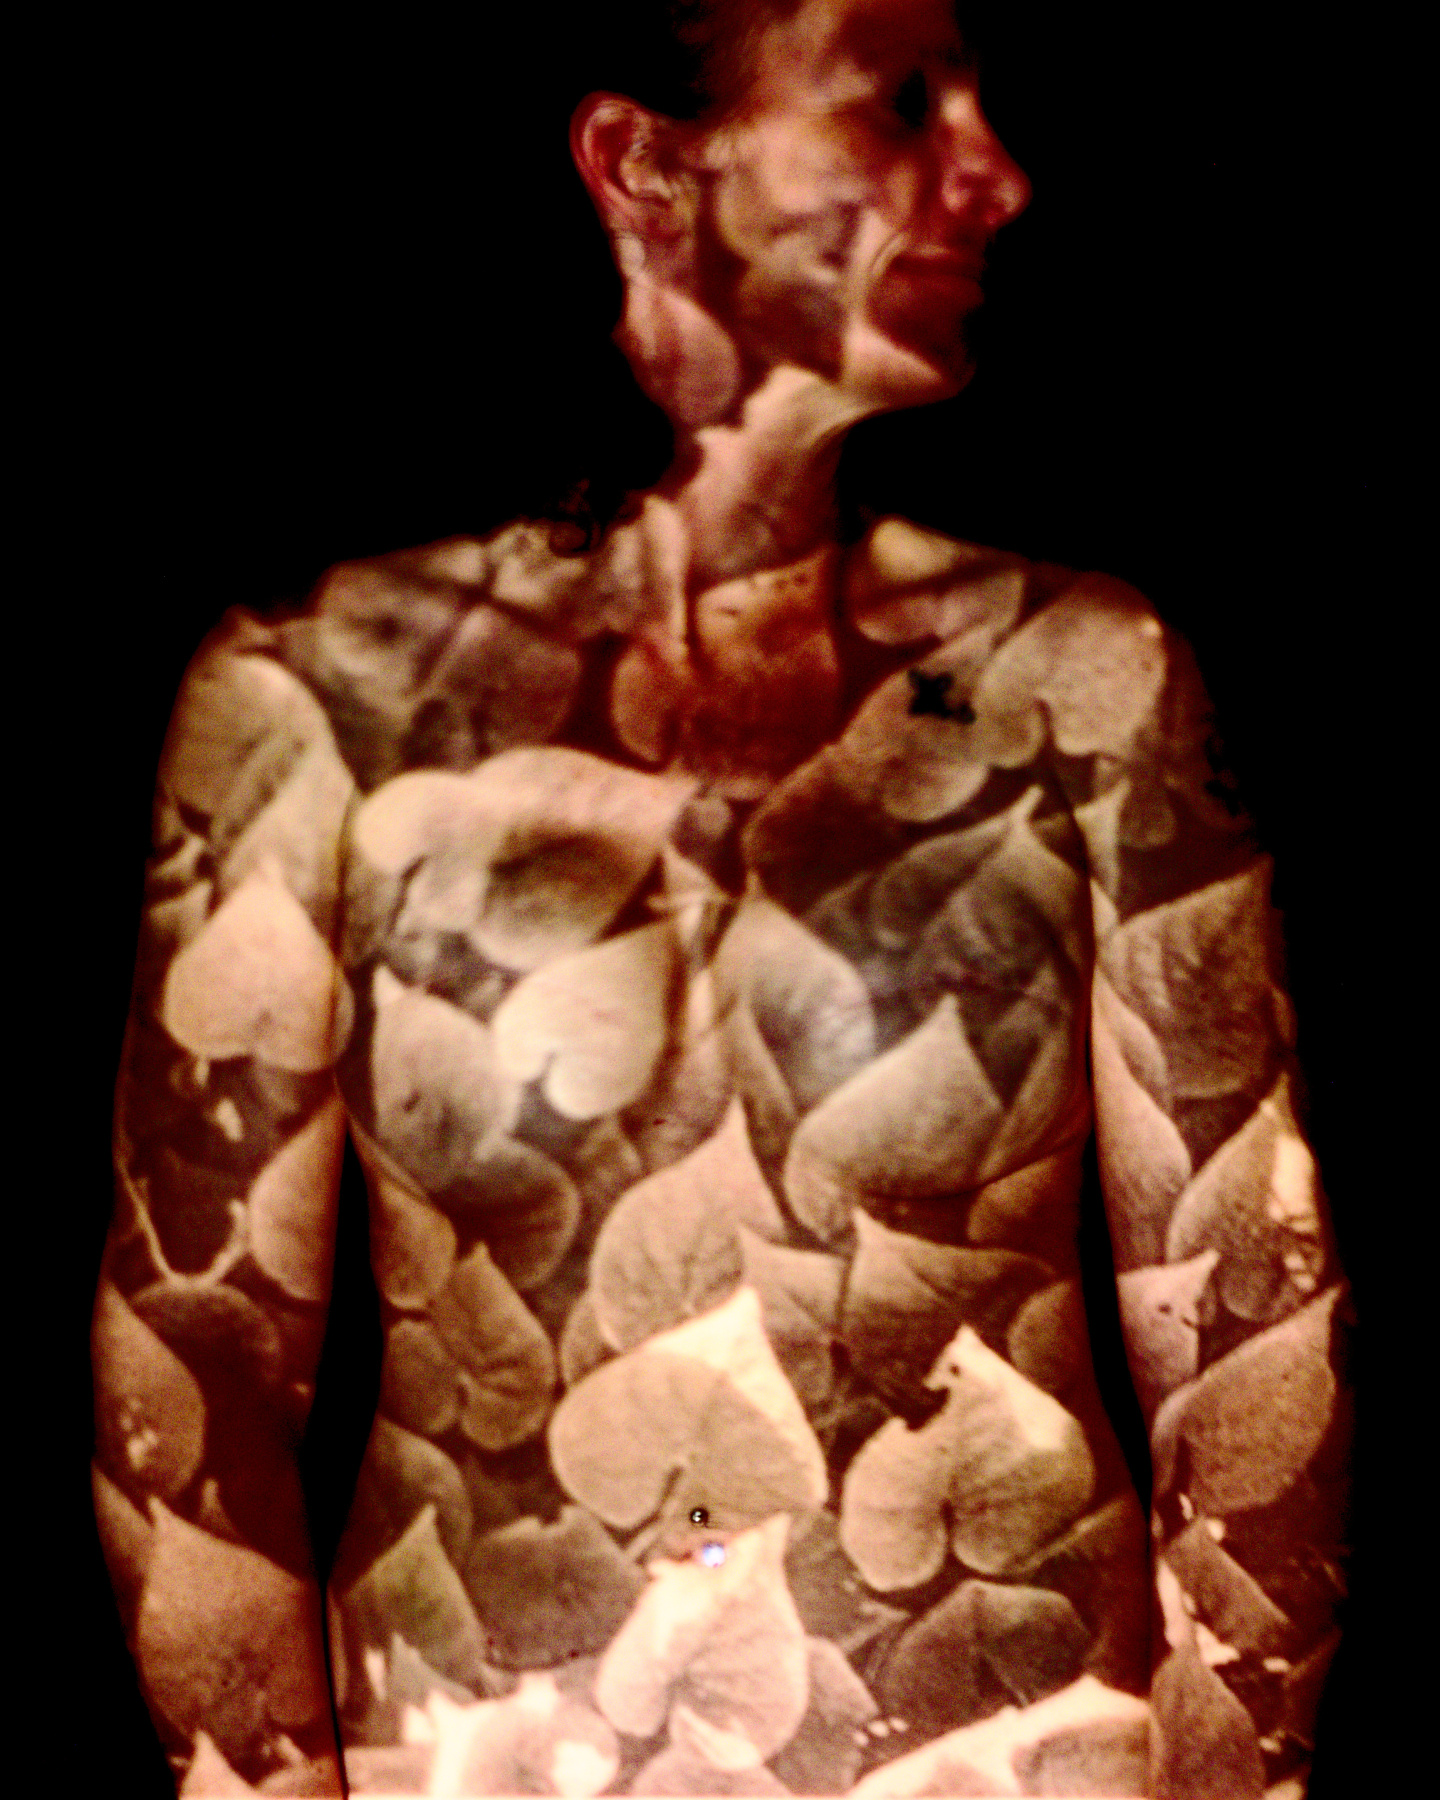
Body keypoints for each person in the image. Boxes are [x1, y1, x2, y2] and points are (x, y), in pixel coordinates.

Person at [91, 2, 1353, 1794]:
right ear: (642, 165)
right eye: (901, 102)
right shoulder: (318, 701)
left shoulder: (1080, 681)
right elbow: (195, 1372)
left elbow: (1246, 1322)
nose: (995, 177)